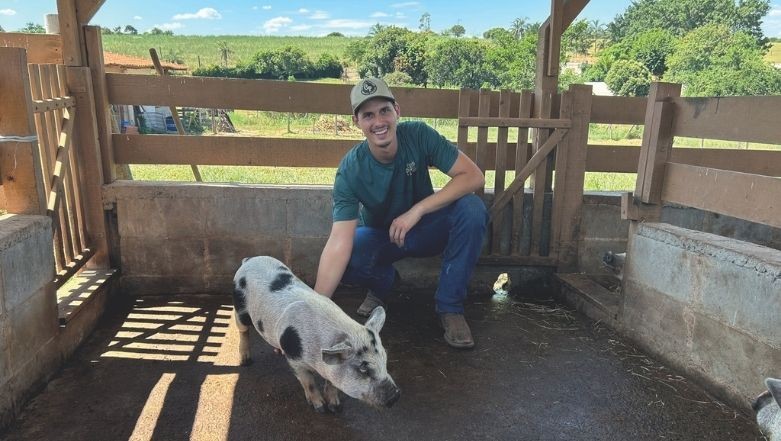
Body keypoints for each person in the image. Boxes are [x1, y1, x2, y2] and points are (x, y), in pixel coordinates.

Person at [313, 77, 488, 349]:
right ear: (356, 122)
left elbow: (473, 176)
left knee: (473, 208)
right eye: (368, 115)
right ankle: (383, 284)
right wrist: (313, 310)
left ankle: (450, 307)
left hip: (425, 230)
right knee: (349, 254)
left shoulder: (418, 135)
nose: (379, 121)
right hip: (383, 239)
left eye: (384, 110)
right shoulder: (350, 170)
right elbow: (338, 241)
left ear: (397, 111)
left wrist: (418, 210)